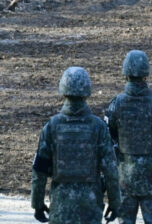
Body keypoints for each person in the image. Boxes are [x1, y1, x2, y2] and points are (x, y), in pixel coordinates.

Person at [31, 66, 121, 224]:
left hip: (60, 208)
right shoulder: (99, 127)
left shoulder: (51, 127)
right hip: (90, 209)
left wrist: (37, 204)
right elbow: (110, 170)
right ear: (87, 92)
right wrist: (115, 203)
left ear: (63, 91)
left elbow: (39, 171)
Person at [105, 50, 152, 224]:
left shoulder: (116, 105)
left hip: (125, 180)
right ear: (146, 75)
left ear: (125, 74)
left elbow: (107, 144)